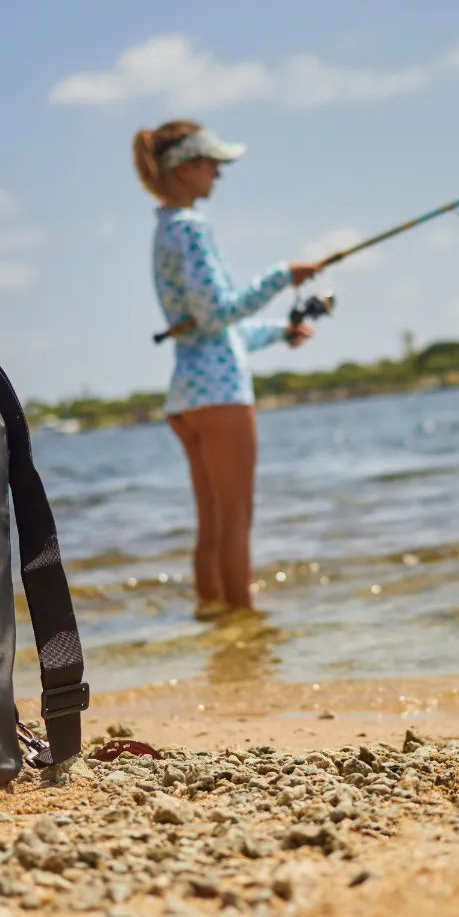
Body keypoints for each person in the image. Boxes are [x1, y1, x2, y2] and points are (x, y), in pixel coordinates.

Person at [133, 120, 321, 620]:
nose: (219, 173)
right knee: (236, 521)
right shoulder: (191, 230)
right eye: (213, 163)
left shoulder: (165, 230)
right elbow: (219, 313)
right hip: (221, 397)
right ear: (187, 166)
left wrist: (281, 332)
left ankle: (216, 616)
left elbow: (208, 328)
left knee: (213, 523)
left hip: (188, 399)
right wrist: (284, 276)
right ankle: (245, 618)